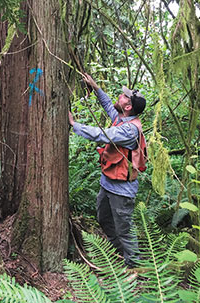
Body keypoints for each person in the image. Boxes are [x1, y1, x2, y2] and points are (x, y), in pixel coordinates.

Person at [68, 73, 147, 267]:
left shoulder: (129, 130)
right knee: (104, 219)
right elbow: (108, 106)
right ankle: (119, 253)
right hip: (108, 184)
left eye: (123, 97)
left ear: (128, 107)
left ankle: (134, 266)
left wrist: (73, 125)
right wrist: (95, 87)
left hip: (121, 190)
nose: (119, 97)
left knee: (124, 229)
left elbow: (102, 135)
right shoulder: (122, 119)